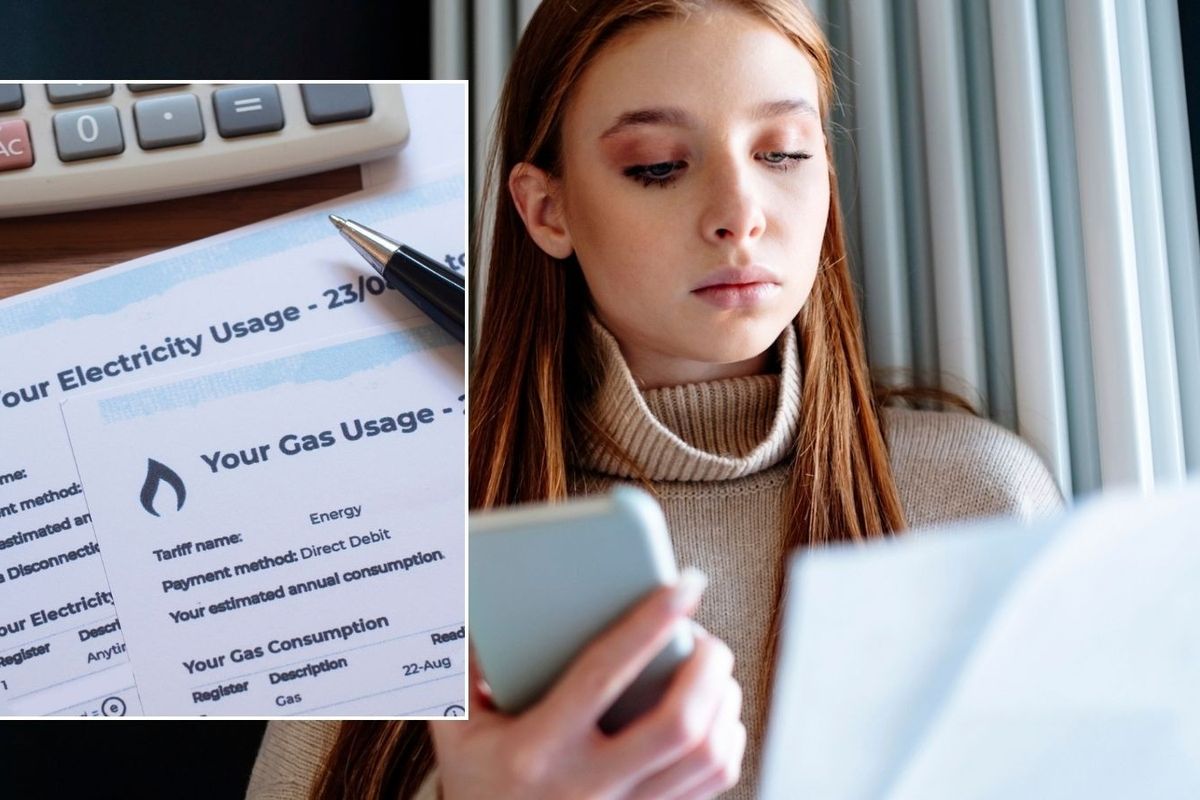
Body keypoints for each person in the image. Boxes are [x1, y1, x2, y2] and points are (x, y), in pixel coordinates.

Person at [246, 1, 1064, 798]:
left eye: (783, 153)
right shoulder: (396, 546)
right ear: (545, 209)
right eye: (658, 167)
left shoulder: (981, 499)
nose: (741, 215)